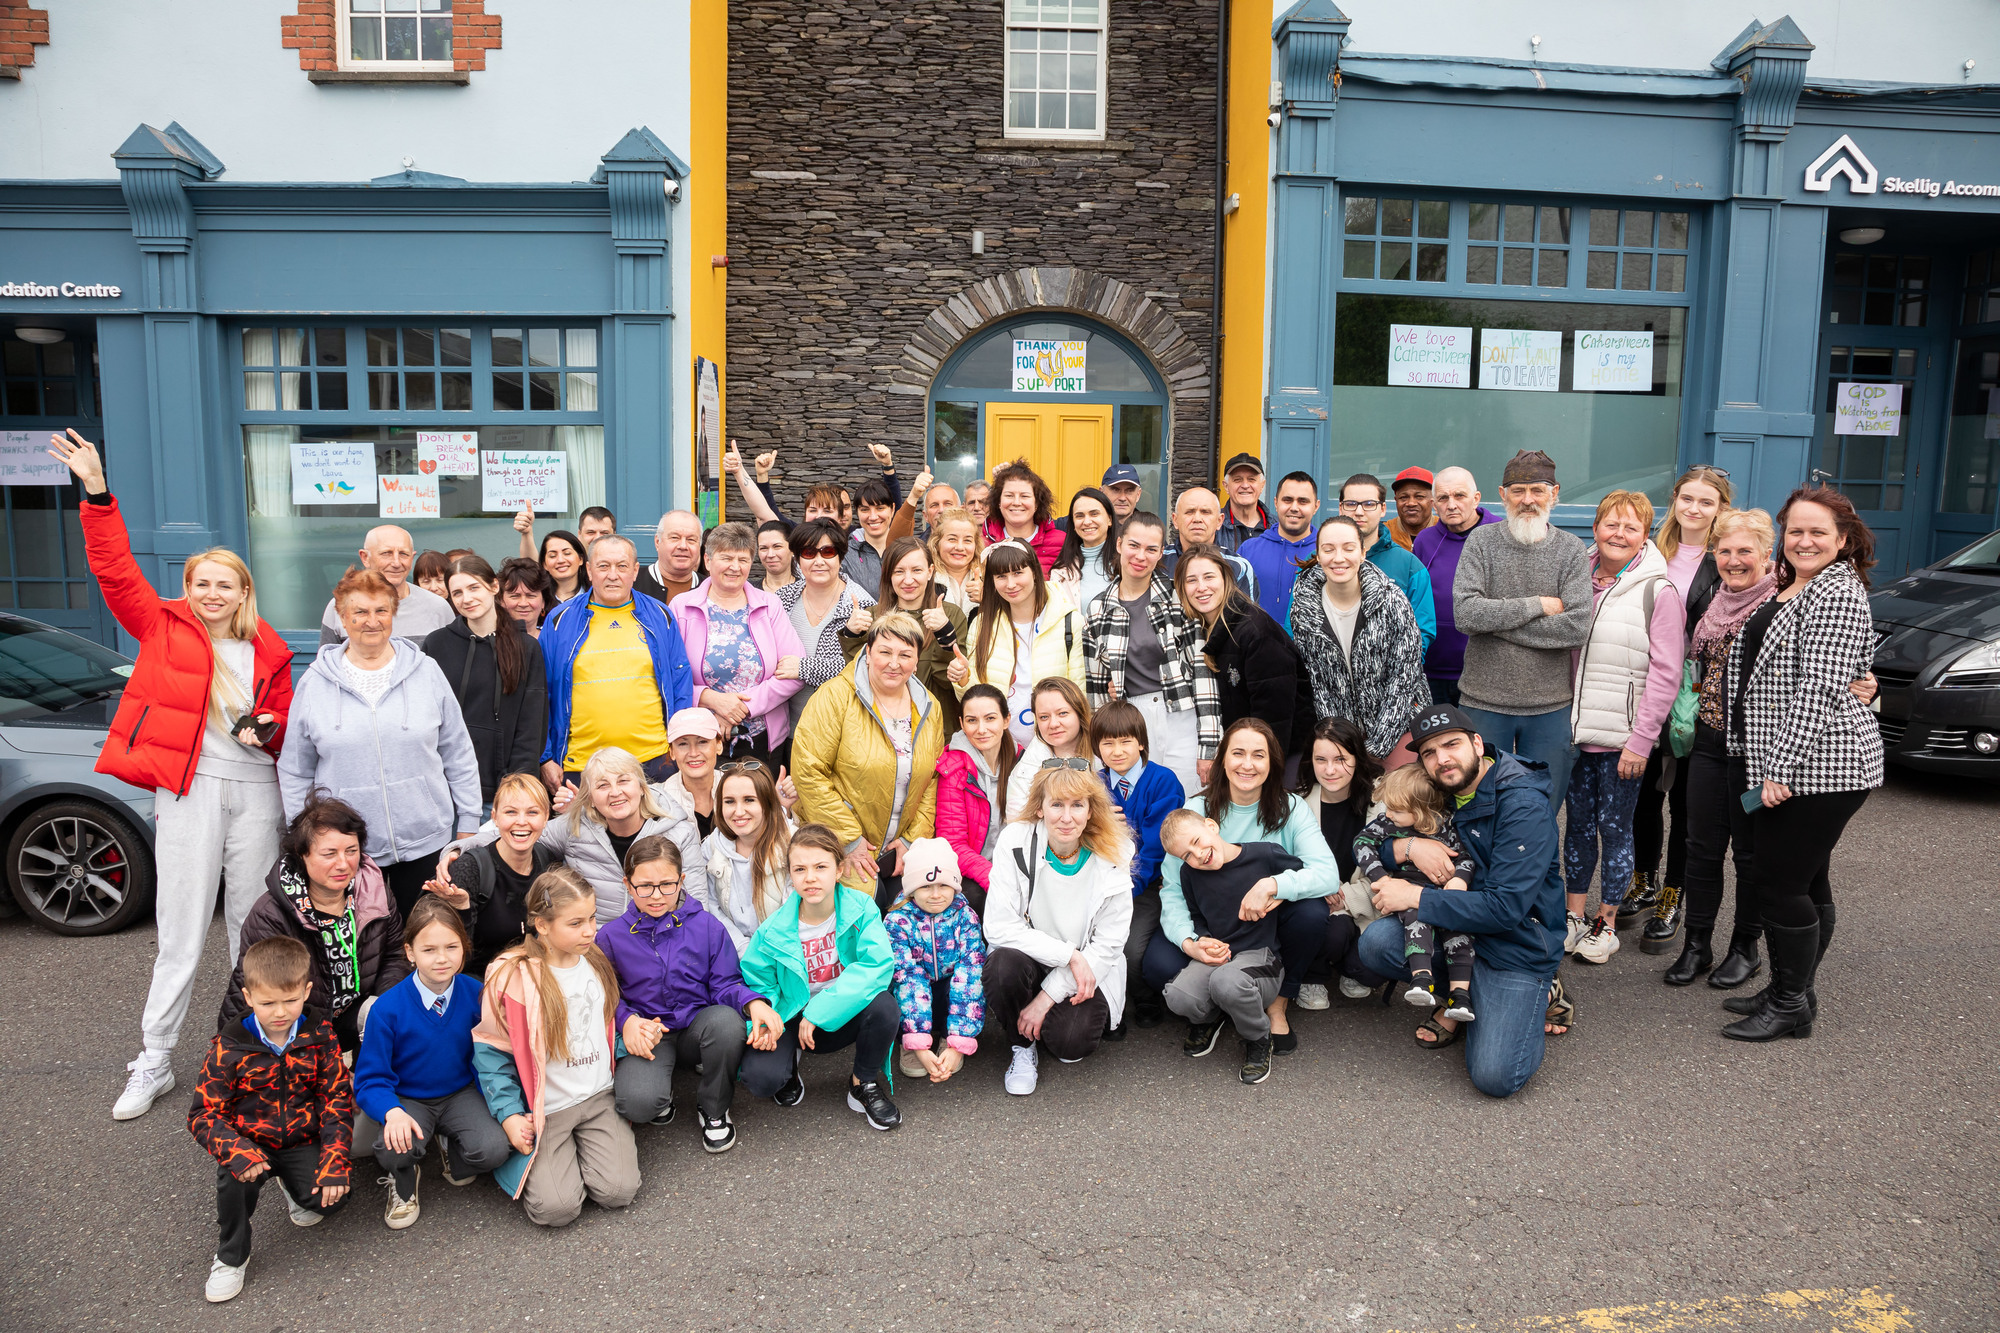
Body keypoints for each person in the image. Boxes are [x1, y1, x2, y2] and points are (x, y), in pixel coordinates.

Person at [49, 430, 296, 1123]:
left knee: (252, 927)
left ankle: (252, 1048)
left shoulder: (270, 648)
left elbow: (284, 722)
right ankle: (155, 1057)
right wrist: (97, 491)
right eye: (201, 583)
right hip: (190, 789)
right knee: (180, 929)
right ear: (188, 589)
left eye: (225, 584)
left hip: (257, 791)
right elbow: (114, 569)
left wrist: (268, 726)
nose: (212, 593)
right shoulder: (161, 626)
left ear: (244, 591)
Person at [1716, 487, 1882, 1042]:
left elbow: (1817, 689)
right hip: (1788, 758)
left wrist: (1779, 770)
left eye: (1818, 532)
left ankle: (1790, 1004)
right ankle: (1794, 991)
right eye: (1796, 531)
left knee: (1780, 883)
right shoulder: (1792, 584)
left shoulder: (1836, 591)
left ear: (1843, 539)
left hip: (1820, 766)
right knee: (1805, 881)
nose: (1804, 541)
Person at [1355, 705, 1569, 1091]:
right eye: (1430, 752)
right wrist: (1409, 847)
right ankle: (1462, 996)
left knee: (1495, 1076)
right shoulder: (1438, 787)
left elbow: (1505, 909)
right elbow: (1382, 836)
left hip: (1515, 944)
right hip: (1455, 928)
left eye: (1451, 744)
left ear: (1477, 744)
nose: (1442, 759)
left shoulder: (1522, 806)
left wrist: (1413, 894)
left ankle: (1538, 990)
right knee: (1376, 943)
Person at [280, 568, 482, 916]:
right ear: (342, 617)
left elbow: (458, 752)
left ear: (393, 615)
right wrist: (305, 835)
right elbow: (296, 769)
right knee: (359, 941)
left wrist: (467, 825)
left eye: (381, 611)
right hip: (345, 847)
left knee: (425, 934)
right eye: (359, 612)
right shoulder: (315, 683)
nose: (371, 621)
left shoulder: (426, 671)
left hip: (425, 841)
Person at [1148, 718, 1344, 1055]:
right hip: (1212, 921)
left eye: (1258, 755)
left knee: (1312, 914)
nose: (1247, 764)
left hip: (1266, 926)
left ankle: (1277, 1003)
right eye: (1238, 753)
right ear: (1223, 759)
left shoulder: (1291, 807)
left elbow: (1326, 873)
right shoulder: (1196, 811)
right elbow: (1173, 889)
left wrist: (1273, 884)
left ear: (1272, 762)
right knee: (1159, 967)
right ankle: (1217, 1007)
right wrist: (1190, 941)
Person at [471, 867, 642, 1227]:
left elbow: (603, 1027)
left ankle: (582, 1156)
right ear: (542, 924)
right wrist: (509, 1114)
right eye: (576, 923)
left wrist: (632, 1038)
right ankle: (554, 1161)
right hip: (547, 1109)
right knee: (557, 1209)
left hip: (599, 1096)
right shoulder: (510, 975)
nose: (590, 930)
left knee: (619, 1191)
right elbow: (492, 1051)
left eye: (592, 917)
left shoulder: (595, 958)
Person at [189, 936, 351, 1304]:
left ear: (306, 991)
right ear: (248, 997)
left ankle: (293, 1186)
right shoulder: (229, 1046)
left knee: (332, 1200)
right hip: (250, 1144)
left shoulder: (320, 1035)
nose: (280, 1012)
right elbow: (203, 1113)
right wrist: (238, 1153)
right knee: (234, 1180)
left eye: (290, 1001)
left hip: (300, 1140)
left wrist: (334, 1163)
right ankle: (231, 1257)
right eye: (267, 1003)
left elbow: (336, 1099)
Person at [601, 836, 783, 1154]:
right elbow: (605, 995)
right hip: (650, 1032)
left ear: (681, 880)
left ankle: (713, 1107)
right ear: (628, 885)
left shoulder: (707, 926)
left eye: (666, 885)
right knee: (638, 1105)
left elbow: (725, 983)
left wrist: (752, 1002)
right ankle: (662, 1092)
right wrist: (626, 1021)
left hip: (698, 1026)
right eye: (645, 886)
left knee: (727, 1024)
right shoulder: (610, 937)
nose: (656, 895)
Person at [1563, 491, 1685, 966]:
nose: (1618, 534)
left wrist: (1642, 740)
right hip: (1573, 735)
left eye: (1631, 527)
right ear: (1594, 528)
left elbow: (1667, 674)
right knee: (1576, 829)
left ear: (1645, 535)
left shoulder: (1659, 591)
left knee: (1615, 831)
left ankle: (1606, 923)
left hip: (1623, 741)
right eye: (1610, 524)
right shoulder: (1574, 577)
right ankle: (1574, 916)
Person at [351, 897, 511, 1230]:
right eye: (429, 950)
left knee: (494, 1149)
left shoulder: (476, 992)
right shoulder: (387, 1009)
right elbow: (370, 1079)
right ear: (410, 952)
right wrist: (391, 1112)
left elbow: (492, 1051)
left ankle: (451, 1145)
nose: (441, 958)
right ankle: (403, 1179)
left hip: (460, 1093)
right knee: (394, 1149)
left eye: (451, 947)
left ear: (464, 947)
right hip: (409, 1098)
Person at [736, 823, 904, 1130]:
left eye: (820, 867)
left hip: (841, 1013)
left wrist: (819, 1011)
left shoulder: (861, 909)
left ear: (838, 871)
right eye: (800, 869)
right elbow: (759, 981)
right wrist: (766, 1021)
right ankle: (788, 1066)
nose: (810, 877)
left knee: (884, 1006)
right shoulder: (772, 930)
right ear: (791, 875)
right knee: (761, 1081)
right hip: (793, 1019)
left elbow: (876, 966)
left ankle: (863, 1082)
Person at [1452, 449, 1593, 814]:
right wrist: (1537, 605)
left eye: (1537, 490)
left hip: (1550, 708)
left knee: (1541, 811)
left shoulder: (1571, 550)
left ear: (1554, 493)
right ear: (1503, 494)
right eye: (1518, 490)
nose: (1528, 499)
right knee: (1478, 806)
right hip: (1483, 702)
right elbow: (1466, 615)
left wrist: (1496, 626)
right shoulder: (1481, 542)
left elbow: (1576, 628)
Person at [1626, 465, 1731, 946]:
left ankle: (1674, 893)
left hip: (1698, 695)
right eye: (1687, 498)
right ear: (1674, 500)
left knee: (1688, 803)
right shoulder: (1650, 551)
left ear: (1721, 508)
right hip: (1646, 688)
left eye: (1706, 501)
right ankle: (1644, 880)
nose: (1694, 508)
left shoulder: (1727, 557)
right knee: (1644, 795)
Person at [982, 764, 1134, 1095]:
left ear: (1090, 810)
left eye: (1077, 805)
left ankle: (1036, 1015)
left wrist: (1046, 997)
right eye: (1056, 805)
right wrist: (1068, 955)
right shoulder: (1015, 840)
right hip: (1035, 958)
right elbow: (998, 926)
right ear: (1040, 808)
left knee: (1070, 1044)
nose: (1066, 817)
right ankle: (1021, 1046)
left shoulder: (1115, 852)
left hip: (1087, 969)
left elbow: (1108, 945)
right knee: (1002, 966)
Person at [223, 795, 410, 1053]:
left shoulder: (374, 892)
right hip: (292, 1026)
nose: (343, 864)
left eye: (351, 851)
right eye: (329, 854)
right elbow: (264, 992)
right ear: (302, 855)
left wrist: (384, 1006)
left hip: (353, 1014)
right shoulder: (271, 915)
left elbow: (394, 955)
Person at [793, 613, 950, 907]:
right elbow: (808, 771)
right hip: (839, 846)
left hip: (898, 851)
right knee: (859, 918)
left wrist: (912, 841)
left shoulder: (929, 706)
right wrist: (848, 840)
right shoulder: (835, 697)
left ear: (917, 661)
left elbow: (932, 780)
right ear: (867, 653)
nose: (894, 663)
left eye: (905, 655)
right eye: (885, 652)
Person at [452, 745, 705, 923]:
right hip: (595, 945)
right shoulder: (575, 827)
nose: (615, 792)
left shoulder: (678, 832)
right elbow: (522, 831)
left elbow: (697, 905)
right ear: (590, 798)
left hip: (663, 941)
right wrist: (457, 849)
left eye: (623, 781)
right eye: (603, 785)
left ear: (641, 788)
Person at [1157, 808, 1301, 1084]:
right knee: (1177, 995)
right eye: (1187, 855)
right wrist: (1202, 939)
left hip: (1261, 956)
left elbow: (1302, 874)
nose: (1198, 855)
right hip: (1220, 955)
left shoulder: (1265, 854)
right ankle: (1210, 1018)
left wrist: (1278, 891)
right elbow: (1197, 915)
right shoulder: (1190, 874)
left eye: (1196, 841)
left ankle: (1259, 1037)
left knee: (1227, 982)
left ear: (1211, 826)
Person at [540, 534, 696, 789]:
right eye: (603, 566)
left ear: (635, 571)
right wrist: (546, 757)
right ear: (589, 570)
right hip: (582, 765)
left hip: (655, 760)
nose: (612, 575)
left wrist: (680, 744)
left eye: (622, 566)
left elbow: (680, 684)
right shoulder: (559, 620)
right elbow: (541, 692)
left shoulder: (660, 615)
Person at [1079, 512, 1216, 797]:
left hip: (1181, 714)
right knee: (1135, 802)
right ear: (1119, 544)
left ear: (1161, 553)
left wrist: (1209, 746)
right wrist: (1102, 745)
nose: (1141, 556)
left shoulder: (1178, 597)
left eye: (1151, 549)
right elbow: (1097, 689)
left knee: (1187, 799)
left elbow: (1202, 672)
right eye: (1134, 545)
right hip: (1131, 720)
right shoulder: (1097, 609)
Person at [1289, 516, 1431, 761]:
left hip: (1399, 723)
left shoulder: (1392, 600)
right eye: (1328, 549)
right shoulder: (1304, 607)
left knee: (1396, 785)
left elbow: (1404, 678)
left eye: (1348, 548)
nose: (1338, 558)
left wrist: (1376, 747)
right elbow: (1318, 682)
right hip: (1342, 733)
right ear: (1319, 555)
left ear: (1363, 553)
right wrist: (1341, 740)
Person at [671, 523, 806, 763]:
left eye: (743, 560)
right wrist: (712, 700)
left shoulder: (769, 606)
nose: (735, 567)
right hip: (701, 739)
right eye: (726, 558)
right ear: (707, 560)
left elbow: (795, 672)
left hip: (764, 740)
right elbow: (669, 676)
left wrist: (740, 708)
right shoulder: (682, 607)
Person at [1353, 765, 1478, 1021]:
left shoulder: (1448, 826)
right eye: (1388, 807)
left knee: (1459, 937)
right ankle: (1422, 979)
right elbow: (1362, 842)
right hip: (1410, 893)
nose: (1388, 814)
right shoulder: (1389, 823)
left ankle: (1460, 996)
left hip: (1446, 896)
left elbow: (1466, 856)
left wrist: (1460, 879)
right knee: (1416, 921)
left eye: (1396, 810)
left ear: (1422, 811)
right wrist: (1381, 878)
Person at [425, 555, 548, 810]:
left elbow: (531, 727)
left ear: (494, 587)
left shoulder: (526, 647)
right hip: (445, 791)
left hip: (501, 796)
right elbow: (425, 719)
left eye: (474, 588)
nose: (466, 599)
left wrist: (518, 791)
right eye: (457, 593)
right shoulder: (436, 645)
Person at [1091, 700, 1183, 1031]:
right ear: (1097, 748)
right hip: (1101, 883)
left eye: (1125, 741)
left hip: (1146, 885)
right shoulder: (1094, 785)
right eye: (1108, 743)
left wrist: (1127, 888)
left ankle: (1144, 996)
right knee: (1092, 941)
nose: (1117, 751)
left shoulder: (1163, 781)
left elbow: (1157, 847)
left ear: (1141, 742)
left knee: (1130, 947)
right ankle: (1102, 1002)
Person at [1178, 544, 1313, 764]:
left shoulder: (1257, 632)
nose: (1201, 587)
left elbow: (1273, 718)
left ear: (1226, 579)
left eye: (1209, 577)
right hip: (1243, 755)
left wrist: (1262, 767)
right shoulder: (1201, 630)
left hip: (1279, 759)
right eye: (1191, 580)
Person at [953, 539, 1086, 746]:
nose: (1010, 584)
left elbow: (1078, 690)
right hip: (1000, 746)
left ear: (1034, 571)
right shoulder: (981, 624)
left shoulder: (1068, 620)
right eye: (1001, 576)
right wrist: (962, 679)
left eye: (1017, 573)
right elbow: (975, 697)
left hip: (1055, 743)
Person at [1295, 716, 1389, 1004]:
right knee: (1333, 934)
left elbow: (1391, 875)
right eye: (1321, 760)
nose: (1330, 770)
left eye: (1340, 759)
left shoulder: (1381, 804)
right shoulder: (1298, 803)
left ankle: (1348, 965)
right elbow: (1291, 864)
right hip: (1320, 905)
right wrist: (1321, 888)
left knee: (1370, 970)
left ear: (1357, 758)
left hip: (1366, 903)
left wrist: (1345, 897)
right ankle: (1312, 974)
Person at [430, 773, 561, 975]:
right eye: (511, 812)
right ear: (495, 817)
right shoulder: (469, 869)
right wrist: (462, 910)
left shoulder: (548, 862)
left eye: (532, 812)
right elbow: (448, 954)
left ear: (546, 818)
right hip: (477, 980)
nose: (521, 821)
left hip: (533, 974)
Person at [844, 535, 970, 737]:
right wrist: (851, 634)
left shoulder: (950, 615)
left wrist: (944, 633)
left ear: (930, 572)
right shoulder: (871, 617)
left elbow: (949, 682)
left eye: (917, 570)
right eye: (899, 571)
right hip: (881, 728)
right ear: (888, 575)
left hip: (936, 729)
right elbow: (858, 678)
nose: (908, 580)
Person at [884, 838, 986, 1081]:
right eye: (926, 887)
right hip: (913, 996)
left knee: (966, 981)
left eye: (944, 885)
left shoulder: (965, 917)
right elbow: (907, 977)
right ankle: (910, 1040)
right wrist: (917, 1042)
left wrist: (958, 1043)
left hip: (950, 994)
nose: (936, 895)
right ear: (911, 890)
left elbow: (970, 975)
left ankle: (949, 1038)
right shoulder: (897, 921)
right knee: (893, 990)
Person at [776, 519, 877, 748]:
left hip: (841, 734)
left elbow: (863, 669)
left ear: (840, 557)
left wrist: (803, 668)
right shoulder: (781, 600)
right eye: (809, 553)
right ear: (798, 558)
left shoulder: (862, 605)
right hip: (787, 730)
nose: (819, 561)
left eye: (828, 552)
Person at [1411, 466, 1500, 706]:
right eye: (1443, 498)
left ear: (1476, 498)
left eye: (1459, 496)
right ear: (1434, 505)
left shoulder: (1499, 535)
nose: (1451, 505)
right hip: (1431, 671)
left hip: (1485, 672)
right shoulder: (1425, 540)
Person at [932, 683, 1018, 916]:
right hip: (974, 871)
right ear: (961, 724)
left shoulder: (1022, 761)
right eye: (972, 720)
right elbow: (953, 843)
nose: (981, 729)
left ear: (1006, 720)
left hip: (1015, 866)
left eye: (990, 718)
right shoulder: (953, 769)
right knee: (978, 898)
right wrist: (995, 878)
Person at [698, 758, 796, 952]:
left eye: (749, 800)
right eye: (729, 802)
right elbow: (711, 907)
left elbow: (794, 910)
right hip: (733, 952)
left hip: (782, 951)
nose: (739, 811)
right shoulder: (711, 847)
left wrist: (763, 954)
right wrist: (743, 950)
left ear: (767, 803)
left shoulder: (793, 844)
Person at [1339, 474, 1436, 655]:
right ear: (1340, 508)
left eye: (1369, 504)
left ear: (1383, 509)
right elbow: (1297, 621)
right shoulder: (1319, 561)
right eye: (1351, 504)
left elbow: (1422, 632)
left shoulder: (1410, 566)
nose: (1359, 512)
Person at [316, 525, 457, 647]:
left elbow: (450, 663)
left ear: (412, 558)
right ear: (365, 557)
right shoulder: (341, 605)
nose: (396, 563)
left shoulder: (438, 607)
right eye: (386, 553)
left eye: (403, 554)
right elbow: (327, 664)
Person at [1238, 470, 1320, 626]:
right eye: (1287, 500)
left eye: (1303, 501)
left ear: (1316, 506)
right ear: (1276, 503)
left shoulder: (1326, 552)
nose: (1294, 507)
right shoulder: (1248, 550)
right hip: (1258, 640)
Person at [1162, 487, 1256, 595]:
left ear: (1219, 521)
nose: (1197, 519)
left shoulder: (1238, 567)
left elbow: (1245, 606)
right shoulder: (1158, 561)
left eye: (1205, 512)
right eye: (1189, 512)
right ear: (1175, 520)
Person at [984, 458, 1067, 574]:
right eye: (1009, 495)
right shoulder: (982, 543)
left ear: (1037, 503)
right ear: (998, 502)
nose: (1016, 502)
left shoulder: (1061, 543)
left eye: (1024, 496)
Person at [1048, 486, 1117, 612]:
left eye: (1094, 514)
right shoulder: (1061, 571)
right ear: (1073, 524)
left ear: (1109, 519)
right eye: (1079, 516)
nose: (1087, 521)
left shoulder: (1128, 563)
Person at [839, 476, 901, 592]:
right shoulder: (844, 554)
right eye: (865, 509)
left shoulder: (906, 549)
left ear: (892, 509)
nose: (873, 517)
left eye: (880, 508)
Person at [632, 510, 704, 605]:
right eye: (675, 538)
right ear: (657, 542)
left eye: (691, 539)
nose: (683, 546)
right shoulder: (631, 584)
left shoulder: (710, 588)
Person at [928, 506, 985, 616]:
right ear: (937, 542)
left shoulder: (991, 578)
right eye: (952, 539)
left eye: (967, 540)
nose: (960, 547)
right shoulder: (926, 579)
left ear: (976, 545)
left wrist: (987, 600)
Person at [1215, 452, 1270, 554]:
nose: (1245, 485)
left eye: (1251, 479)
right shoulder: (1214, 526)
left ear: (1262, 485)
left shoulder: (1277, 527)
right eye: (1237, 480)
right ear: (1226, 486)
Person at [499, 556, 558, 636]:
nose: (523, 604)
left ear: (543, 602)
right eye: (515, 596)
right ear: (501, 600)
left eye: (531, 596)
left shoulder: (555, 639)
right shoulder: (491, 640)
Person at [531, 530, 588, 605]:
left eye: (567, 553)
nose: (560, 560)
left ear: (581, 559)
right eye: (552, 556)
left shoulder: (595, 595)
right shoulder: (538, 599)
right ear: (544, 564)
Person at [1386, 466, 1437, 551]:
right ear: (1396, 500)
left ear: (1433, 500)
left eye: (1419, 496)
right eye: (1403, 497)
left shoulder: (1446, 533)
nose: (1411, 503)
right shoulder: (1383, 534)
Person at [754, 518, 798, 592]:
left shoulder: (806, 590)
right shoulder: (749, 591)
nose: (770, 555)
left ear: (792, 549)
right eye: (764, 548)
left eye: (777, 546)